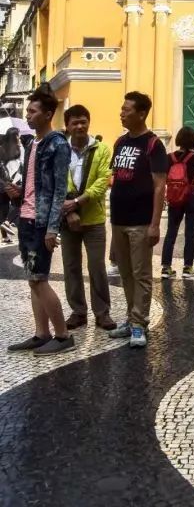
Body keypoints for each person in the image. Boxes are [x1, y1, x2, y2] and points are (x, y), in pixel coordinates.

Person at [6, 85, 74, 356]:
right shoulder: (32, 143)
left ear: (47, 114)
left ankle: (63, 335)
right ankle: (41, 333)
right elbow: (36, 184)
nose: (28, 115)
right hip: (26, 216)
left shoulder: (57, 144)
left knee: (40, 279)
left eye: (32, 111)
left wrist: (52, 228)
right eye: (27, 111)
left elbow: (59, 189)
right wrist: (19, 193)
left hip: (41, 221)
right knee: (33, 279)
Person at [107, 91, 168, 348]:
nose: (121, 112)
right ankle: (132, 318)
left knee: (141, 274)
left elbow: (159, 186)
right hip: (119, 219)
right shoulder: (120, 142)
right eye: (121, 108)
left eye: (126, 109)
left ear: (141, 114)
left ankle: (139, 324)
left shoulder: (154, 144)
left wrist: (155, 224)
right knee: (125, 274)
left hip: (141, 221)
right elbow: (115, 176)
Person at [60, 104, 116, 331]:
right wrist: (70, 210)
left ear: (89, 123)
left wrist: (78, 201)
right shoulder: (61, 150)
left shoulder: (101, 149)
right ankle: (78, 311)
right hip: (67, 219)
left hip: (94, 218)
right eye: (75, 122)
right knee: (71, 266)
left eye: (83, 121)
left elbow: (103, 180)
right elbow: (59, 180)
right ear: (68, 126)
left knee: (97, 267)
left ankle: (102, 313)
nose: (80, 126)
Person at [161, 126, 194, 277]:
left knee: (171, 232)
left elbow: (163, 177)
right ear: (193, 140)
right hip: (191, 197)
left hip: (174, 197)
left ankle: (166, 268)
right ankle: (188, 268)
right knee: (190, 233)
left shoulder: (170, 157)